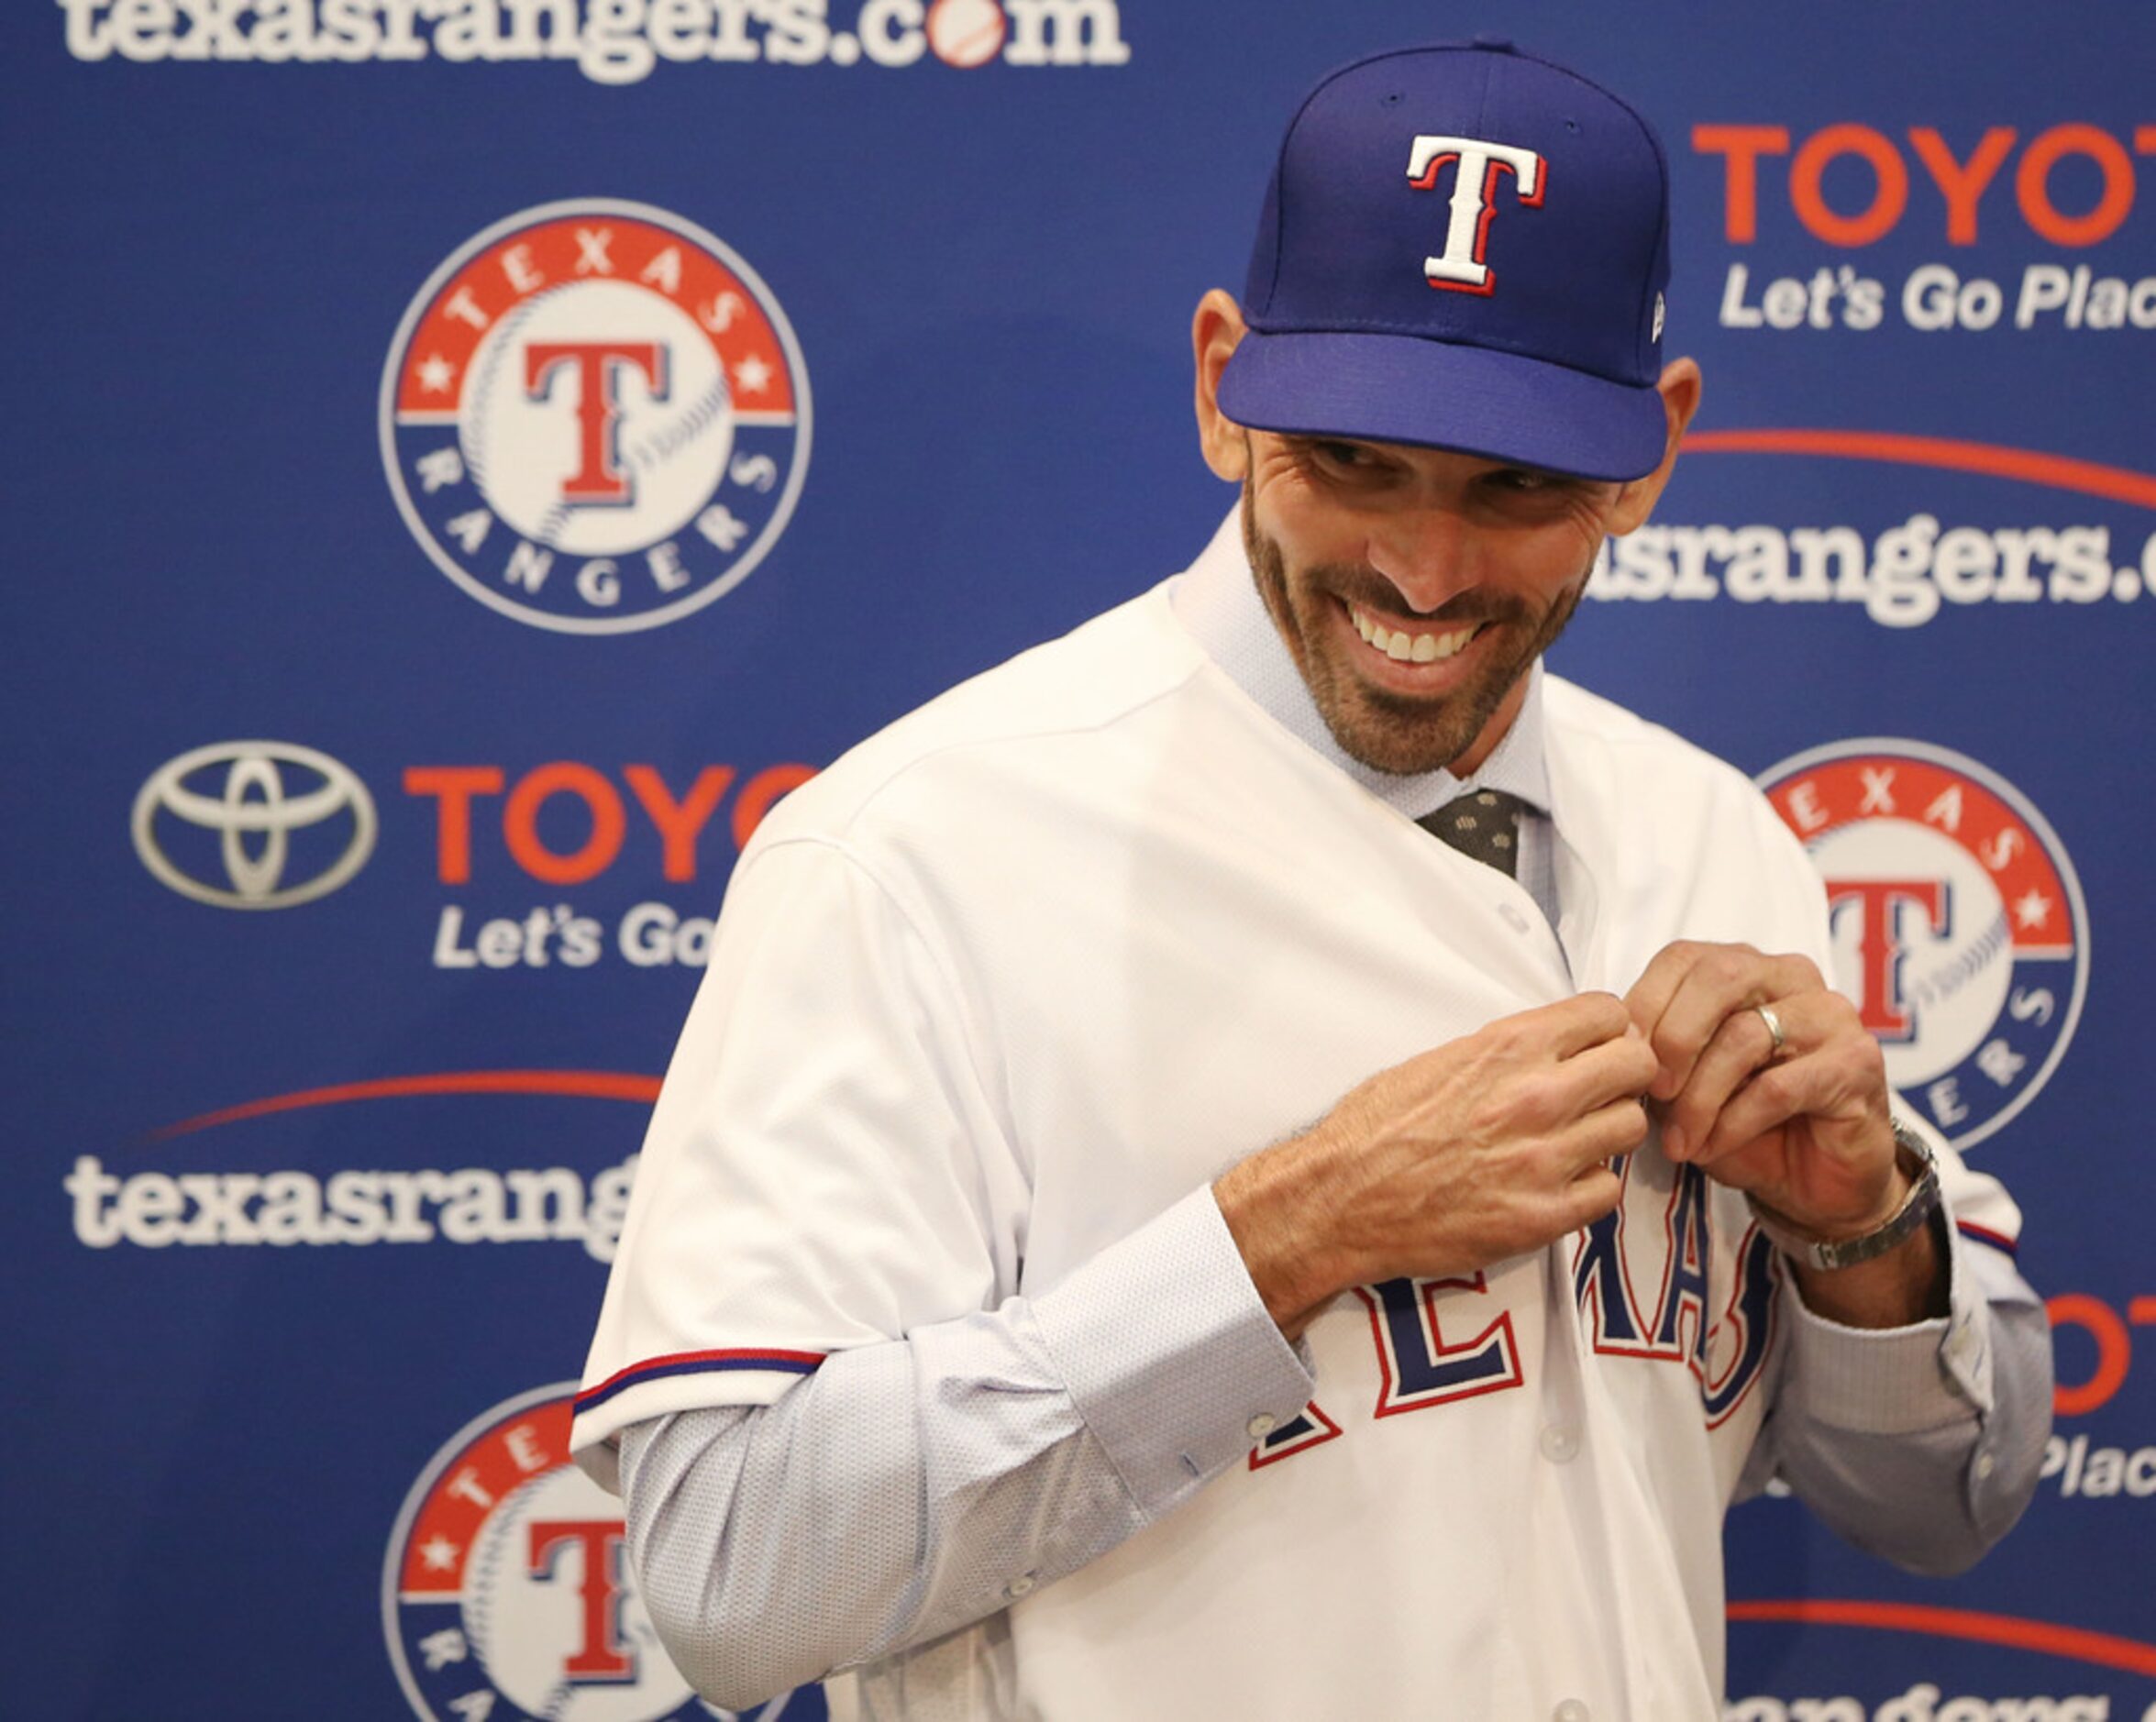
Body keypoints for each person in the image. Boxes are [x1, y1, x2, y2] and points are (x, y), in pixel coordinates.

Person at [572, 40, 2050, 1720]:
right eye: (1353, 459)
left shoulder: (1717, 836)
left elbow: (1946, 1498)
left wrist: (1858, 1225)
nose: (1424, 566)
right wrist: (1283, 1235)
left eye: (1517, 485)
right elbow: (729, 1579)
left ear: (1652, 453)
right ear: (1222, 386)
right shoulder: (921, 849)